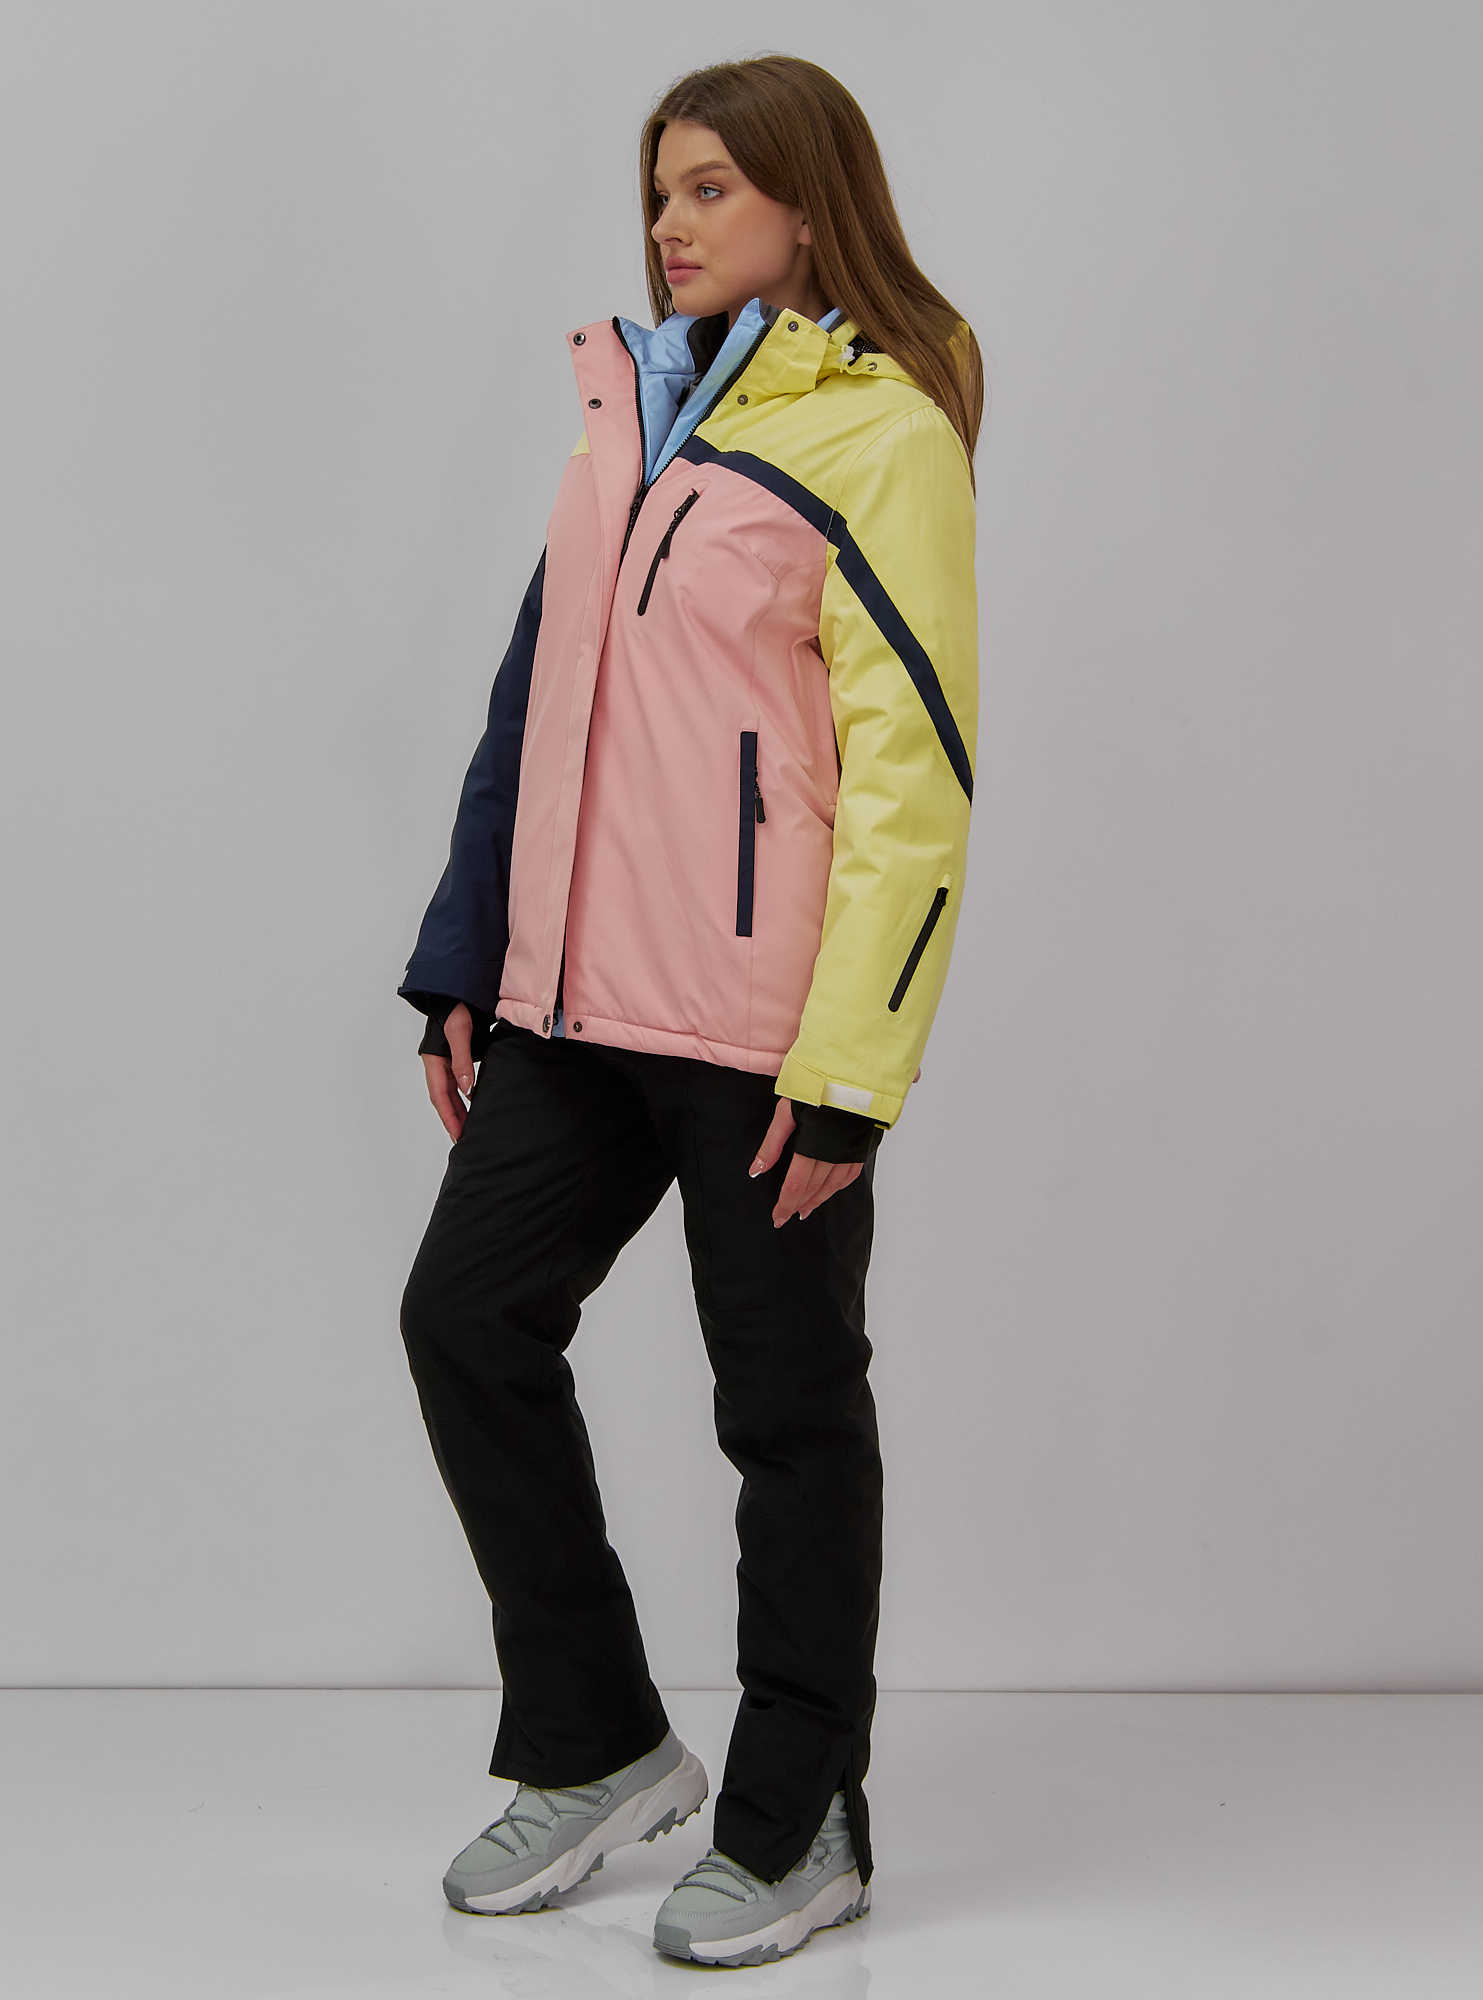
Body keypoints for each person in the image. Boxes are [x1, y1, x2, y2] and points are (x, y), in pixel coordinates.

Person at [396, 53, 981, 1968]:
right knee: (466, 1320)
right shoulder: (628, 413)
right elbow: (533, 703)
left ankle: (804, 1816)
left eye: (713, 187)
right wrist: (463, 957)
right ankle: (595, 1741)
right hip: (573, 1007)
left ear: (810, 202)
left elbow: (915, 779)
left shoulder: (882, 431)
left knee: (786, 1415)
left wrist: (856, 1074)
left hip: (761, 1031)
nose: (672, 222)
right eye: (661, 189)